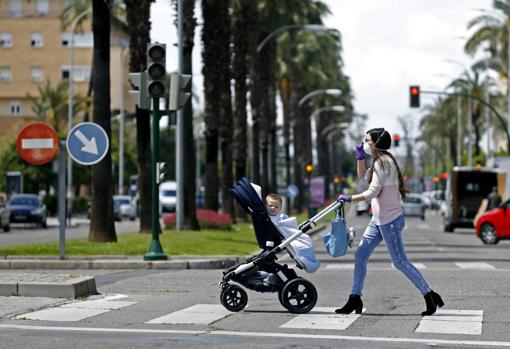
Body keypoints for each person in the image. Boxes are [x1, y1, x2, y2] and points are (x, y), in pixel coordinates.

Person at [336, 128, 444, 316]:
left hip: (390, 221)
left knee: (400, 261)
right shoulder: (379, 161)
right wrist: (360, 158)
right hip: (377, 220)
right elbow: (363, 177)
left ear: (376, 143)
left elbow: (372, 192)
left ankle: (430, 295)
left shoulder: (384, 163)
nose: (365, 142)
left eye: (368, 140)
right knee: (360, 255)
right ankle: (355, 298)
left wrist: (350, 198)